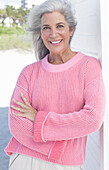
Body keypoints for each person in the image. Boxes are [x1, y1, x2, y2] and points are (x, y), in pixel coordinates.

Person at [5, 0, 105, 170]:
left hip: (68, 165)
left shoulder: (88, 67)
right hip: (25, 160)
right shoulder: (29, 72)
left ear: (70, 29)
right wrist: (57, 145)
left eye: (59, 26)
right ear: (40, 32)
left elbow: (92, 119)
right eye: (46, 28)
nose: (53, 34)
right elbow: (17, 123)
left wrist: (39, 118)